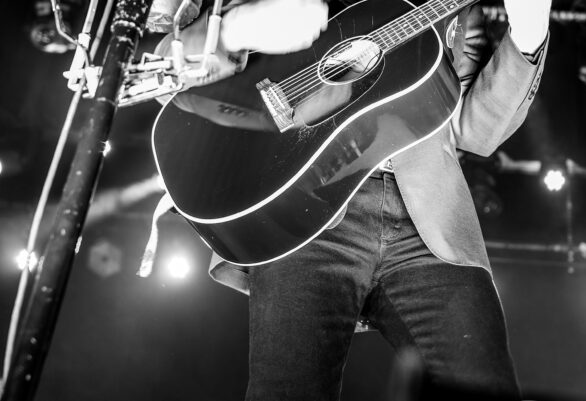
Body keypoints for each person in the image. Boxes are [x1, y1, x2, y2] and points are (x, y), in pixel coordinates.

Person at [156, 0, 551, 399]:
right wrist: (236, 28)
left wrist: (529, 35)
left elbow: (473, 129)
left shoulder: (458, 11)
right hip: (302, 206)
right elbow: (165, 65)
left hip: (429, 219)